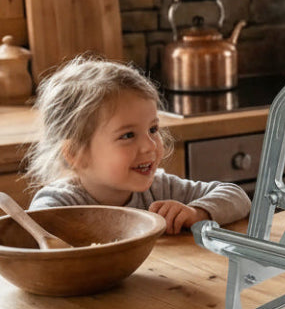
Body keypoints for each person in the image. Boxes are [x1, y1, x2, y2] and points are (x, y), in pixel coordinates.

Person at [26, 56, 251, 234]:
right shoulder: (58, 205)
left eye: (153, 129)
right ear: (75, 153)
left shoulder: (161, 189)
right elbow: (35, 240)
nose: (149, 146)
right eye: (128, 135)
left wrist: (197, 212)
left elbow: (238, 197)